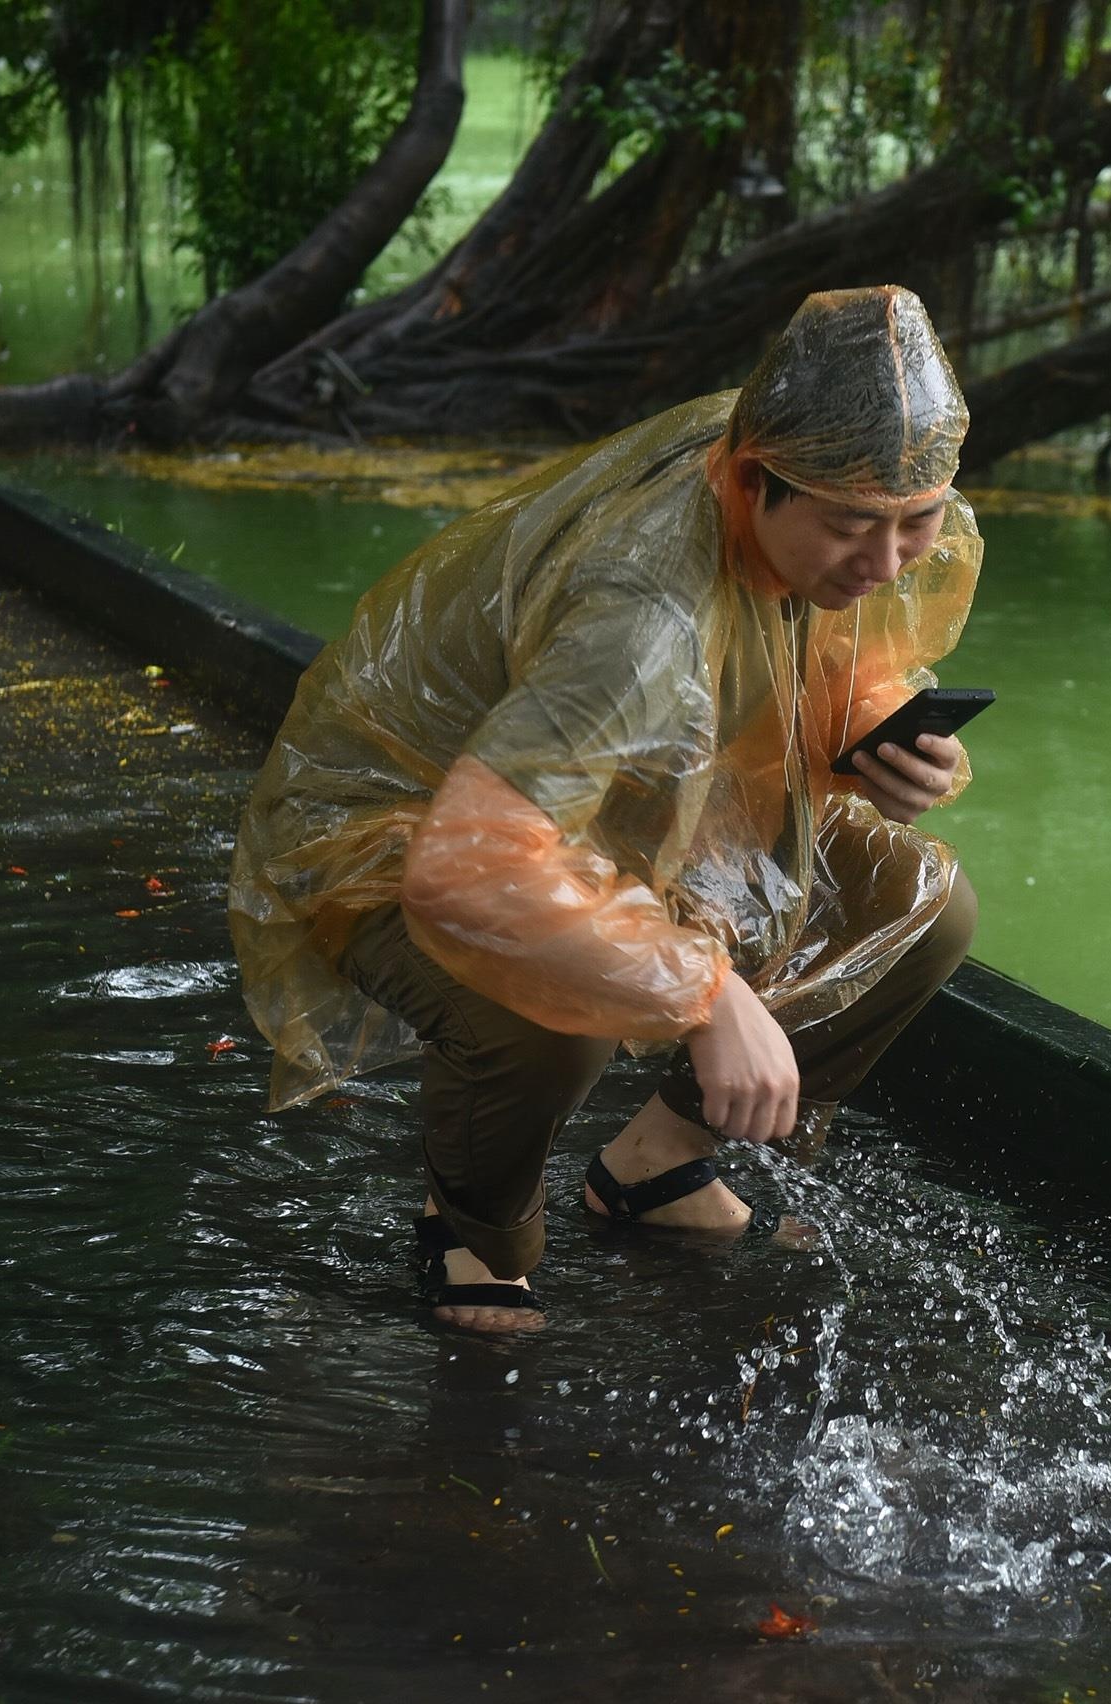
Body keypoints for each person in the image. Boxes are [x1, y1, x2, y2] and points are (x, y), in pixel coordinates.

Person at [226, 285, 984, 1332]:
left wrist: (871, 733)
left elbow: (812, 647)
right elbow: (471, 869)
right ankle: (474, 1229)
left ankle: (652, 1166)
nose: (888, 563)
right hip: (398, 825)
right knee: (547, 1014)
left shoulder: (826, 455)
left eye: (918, 525)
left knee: (918, 900)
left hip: (613, 797)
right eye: (855, 529)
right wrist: (708, 995)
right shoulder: (642, 615)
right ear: (753, 480)